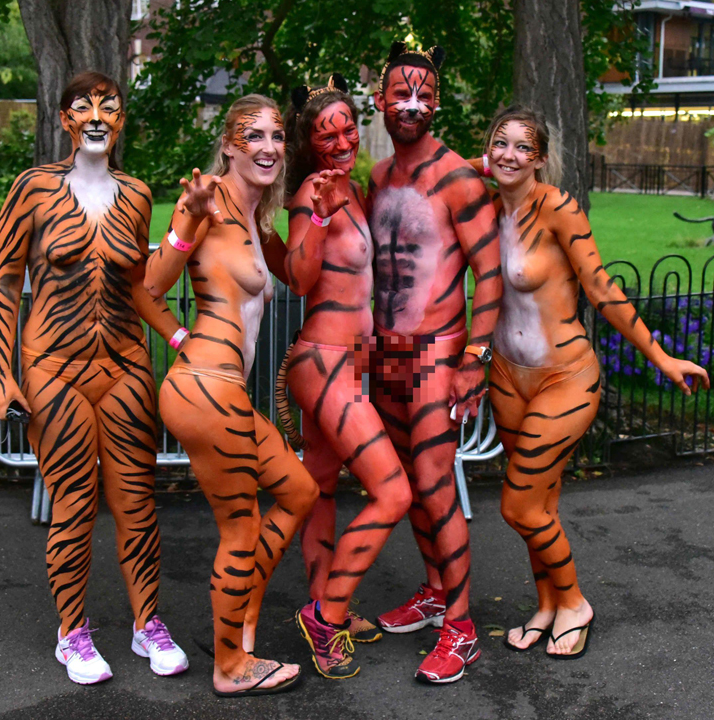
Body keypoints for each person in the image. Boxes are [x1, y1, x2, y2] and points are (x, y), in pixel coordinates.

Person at [474, 106, 709, 657]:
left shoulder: (557, 208)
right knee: (543, 503)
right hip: (508, 375)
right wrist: (478, 163)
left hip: (566, 377)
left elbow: (601, 290)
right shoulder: (484, 210)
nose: (509, 155)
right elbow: (443, 175)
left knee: (519, 507)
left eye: (522, 148)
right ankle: (548, 606)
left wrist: (661, 356)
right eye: (498, 144)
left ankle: (575, 602)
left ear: (541, 158)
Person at [0, 71, 188, 685]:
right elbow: (4, 281)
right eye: (84, 106)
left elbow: (141, 283)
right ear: (65, 119)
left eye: (110, 106)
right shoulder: (33, 188)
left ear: (121, 120)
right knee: (73, 504)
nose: (97, 116)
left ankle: (146, 623)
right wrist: (3, 376)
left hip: (125, 365)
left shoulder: (136, 194)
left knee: (138, 504)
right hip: (55, 369)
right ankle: (71, 633)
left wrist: (182, 337)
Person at [144, 94, 319, 697]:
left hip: (226, 392)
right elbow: (149, 283)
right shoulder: (207, 201)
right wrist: (179, 332)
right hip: (204, 387)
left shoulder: (253, 213)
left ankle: (242, 614)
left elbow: (297, 274)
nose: (269, 146)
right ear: (229, 145)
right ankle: (229, 664)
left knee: (299, 491)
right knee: (240, 530)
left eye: (276, 136)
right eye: (254, 136)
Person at [366, 42, 503, 684]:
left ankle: (463, 628)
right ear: (381, 101)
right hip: (385, 357)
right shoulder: (375, 178)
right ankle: (433, 594)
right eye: (401, 94)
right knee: (414, 490)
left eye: (423, 95)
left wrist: (474, 358)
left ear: (437, 102)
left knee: (437, 488)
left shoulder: (459, 178)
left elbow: (490, 274)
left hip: (439, 355)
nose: (412, 105)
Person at [276, 74, 411, 680]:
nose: (341, 139)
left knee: (324, 491)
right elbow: (300, 278)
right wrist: (322, 217)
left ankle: (326, 600)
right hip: (323, 361)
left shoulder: (353, 188)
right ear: (310, 142)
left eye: (347, 127)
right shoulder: (314, 191)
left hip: (344, 363)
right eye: (325, 133)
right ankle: (326, 617)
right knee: (393, 491)